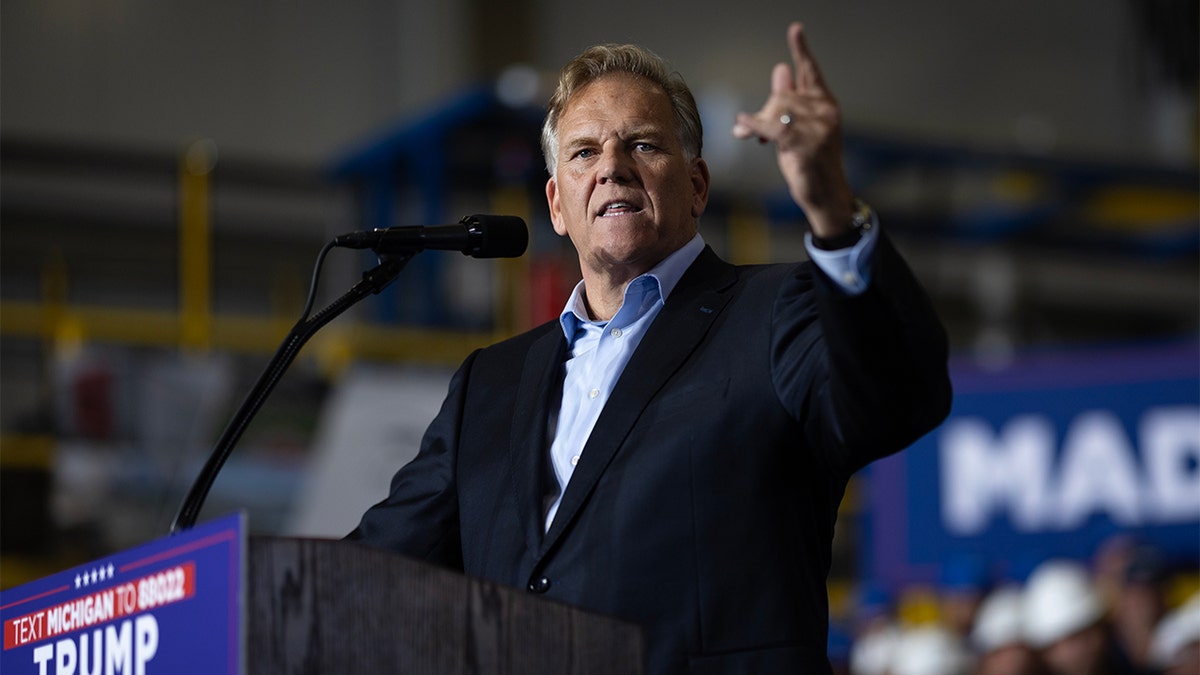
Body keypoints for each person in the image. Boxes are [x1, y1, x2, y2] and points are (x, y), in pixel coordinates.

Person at [348, 21, 952, 674]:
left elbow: (899, 395)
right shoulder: (487, 384)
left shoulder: (779, 311)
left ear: (696, 186)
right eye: (583, 153)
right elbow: (370, 573)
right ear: (556, 203)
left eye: (641, 144)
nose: (611, 166)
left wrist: (833, 207)